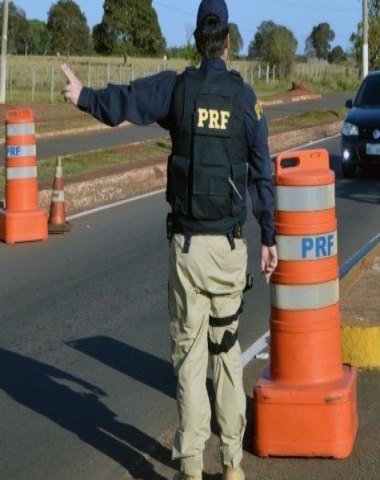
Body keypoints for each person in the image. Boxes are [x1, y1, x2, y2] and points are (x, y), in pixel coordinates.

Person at [61, 1, 278, 479]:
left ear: (198, 40)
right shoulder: (244, 99)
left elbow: (129, 101)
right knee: (225, 355)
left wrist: (84, 96)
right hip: (228, 250)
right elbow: (263, 170)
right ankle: (233, 464)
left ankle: (191, 467)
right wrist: (270, 236)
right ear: (228, 40)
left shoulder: (178, 91)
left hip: (187, 253)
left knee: (188, 359)